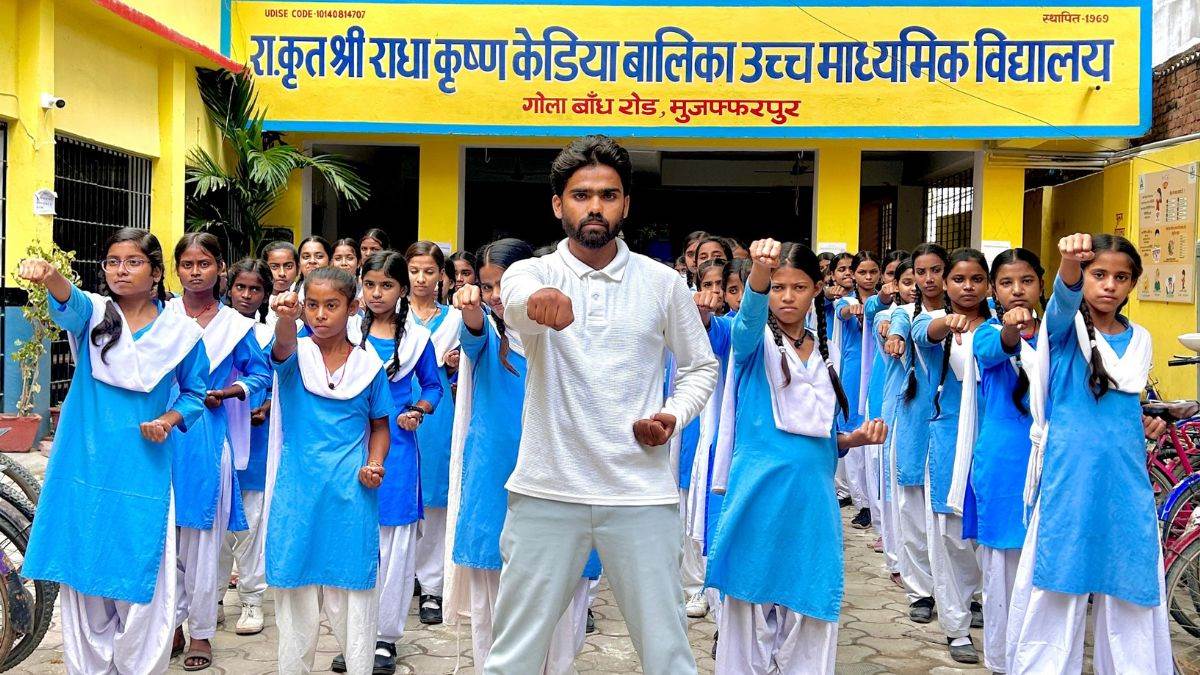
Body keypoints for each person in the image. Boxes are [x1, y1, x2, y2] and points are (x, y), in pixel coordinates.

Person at [484, 135, 718, 675]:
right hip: (547, 491)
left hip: (641, 494)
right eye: (581, 194)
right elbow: (518, 300)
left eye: (608, 195)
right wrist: (537, 305)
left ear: (626, 204)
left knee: (668, 655)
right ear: (557, 204)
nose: (595, 206)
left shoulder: (662, 284)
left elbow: (700, 368)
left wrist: (671, 415)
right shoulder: (535, 272)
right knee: (511, 657)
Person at [21, 229, 208, 674]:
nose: (120, 270)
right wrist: (50, 276)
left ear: (157, 272)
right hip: (84, 465)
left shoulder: (180, 333)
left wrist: (167, 420)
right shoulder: (96, 316)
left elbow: (195, 394)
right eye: (112, 262)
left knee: (145, 583)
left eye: (133, 262)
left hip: (144, 471)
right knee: (85, 578)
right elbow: (70, 301)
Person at [706, 238, 886, 673]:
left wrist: (852, 439)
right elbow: (748, 320)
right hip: (760, 494)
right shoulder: (752, 345)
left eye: (799, 287)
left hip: (812, 500)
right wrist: (759, 274)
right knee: (750, 605)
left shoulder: (824, 352)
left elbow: (819, 433)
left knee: (809, 607)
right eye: (779, 287)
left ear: (817, 290)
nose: (787, 297)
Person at [1006, 234, 1172, 674]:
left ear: (1133, 284)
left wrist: (1146, 421)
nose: (1109, 285)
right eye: (1099, 274)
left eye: (1121, 277)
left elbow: (1125, 407)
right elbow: (1061, 301)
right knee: (1058, 582)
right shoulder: (1063, 332)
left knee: (1131, 586)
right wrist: (1068, 262)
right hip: (1069, 477)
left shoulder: (1141, 340)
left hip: (1126, 481)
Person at [444, 238, 597, 672]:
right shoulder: (488, 337)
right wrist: (471, 308)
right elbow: (472, 330)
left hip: (560, 480)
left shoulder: (569, 335)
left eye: (502, 285)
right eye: (486, 285)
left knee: (560, 609)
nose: (494, 296)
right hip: (496, 482)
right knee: (494, 610)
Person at [266, 267, 393, 675]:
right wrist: (286, 317)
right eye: (313, 305)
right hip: (298, 496)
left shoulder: (369, 367)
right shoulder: (295, 357)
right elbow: (282, 345)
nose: (321, 314)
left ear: (352, 308)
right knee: (295, 602)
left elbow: (379, 427)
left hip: (351, 496)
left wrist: (375, 463)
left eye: (332, 305)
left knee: (355, 599)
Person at [329, 250, 443, 674]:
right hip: (348, 443)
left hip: (397, 448)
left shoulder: (416, 340)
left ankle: (383, 638)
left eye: (387, 286)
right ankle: (351, 634)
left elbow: (433, 386)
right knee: (353, 540)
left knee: (393, 547)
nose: (377, 293)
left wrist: (419, 410)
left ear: (401, 290)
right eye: (370, 284)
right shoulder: (343, 330)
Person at [168, 233, 272, 671]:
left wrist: (231, 391)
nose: (195, 271)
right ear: (175, 270)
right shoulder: (162, 315)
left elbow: (260, 376)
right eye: (188, 263)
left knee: (205, 541)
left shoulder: (236, 325)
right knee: (165, 535)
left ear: (220, 269)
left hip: (210, 438)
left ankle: (201, 632)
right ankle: (167, 623)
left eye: (204, 263)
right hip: (162, 435)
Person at [946, 248, 1043, 673]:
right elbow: (997, 349)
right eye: (1006, 283)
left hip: (1052, 465)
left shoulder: (1061, 336)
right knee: (1003, 571)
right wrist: (1012, 330)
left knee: (1042, 569)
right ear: (994, 290)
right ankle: (1004, 661)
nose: (1017, 290)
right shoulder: (985, 335)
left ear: (1043, 283)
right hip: (1003, 465)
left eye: (1026, 281)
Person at [912, 247, 990, 664]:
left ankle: (982, 607)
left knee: (987, 539)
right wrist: (950, 321)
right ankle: (957, 627)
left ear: (988, 285)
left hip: (992, 444)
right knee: (950, 536)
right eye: (958, 279)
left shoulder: (1001, 330)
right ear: (945, 283)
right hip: (947, 440)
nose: (967, 287)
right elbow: (931, 332)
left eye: (977, 279)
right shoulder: (930, 320)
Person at [884, 242, 949, 624]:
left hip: (955, 424)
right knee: (912, 510)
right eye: (921, 272)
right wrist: (893, 336)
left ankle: (967, 592)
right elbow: (896, 328)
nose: (928, 279)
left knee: (955, 515)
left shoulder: (983, 314)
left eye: (936, 270)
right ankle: (921, 591)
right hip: (913, 421)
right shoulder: (907, 314)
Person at [406, 240, 465, 624]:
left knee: (436, 499)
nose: (422, 279)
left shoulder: (457, 319)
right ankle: (401, 576)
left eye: (430, 271)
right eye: (414, 271)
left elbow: (468, 370)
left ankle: (432, 587)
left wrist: (458, 365)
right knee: (399, 495)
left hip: (438, 411)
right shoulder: (391, 315)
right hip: (394, 409)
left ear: (442, 275)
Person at [218, 258, 277, 638]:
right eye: (241, 287)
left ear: (266, 294)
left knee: (251, 522)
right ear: (230, 288)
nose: (247, 295)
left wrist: (267, 404)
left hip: (258, 439)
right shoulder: (214, 330)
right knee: (217, 523)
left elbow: (285, 381)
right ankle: (212, 599)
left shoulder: (274, 335)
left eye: (255, 289)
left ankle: (253, 598)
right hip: (218, 433)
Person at [834, 251, 882, 531]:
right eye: (862, 272)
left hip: (877, 370)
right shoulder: (846, 301)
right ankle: (862, 501)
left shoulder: (886, 303)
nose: (867, 277)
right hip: (852, 373)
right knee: (853, 433)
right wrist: (852, 309)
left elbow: (879, 307)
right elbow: (842, 311)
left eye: (872, 272)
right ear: (853, 274)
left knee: (874, 430)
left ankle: (875, 501)